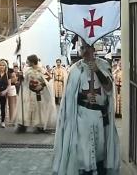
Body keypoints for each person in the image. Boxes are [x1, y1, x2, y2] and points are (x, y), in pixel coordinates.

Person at [53, 40, 120, 175]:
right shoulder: (75, 69)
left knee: (100, 149)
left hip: (101, 117)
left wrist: (97, 70)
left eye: (87, 47)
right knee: (84, 149)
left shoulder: (103, 65)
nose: (85, 51)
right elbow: (69, 98)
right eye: (82, 48)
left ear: (93, 48)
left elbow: (108, 88)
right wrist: (85, 97)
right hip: (82, 116)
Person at [15, 54, 57, 133]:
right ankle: (23, 125)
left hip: (38, 93)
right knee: (27, 109)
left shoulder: (41, 70)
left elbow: (49, 79)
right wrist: (21, 77)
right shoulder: (28, 70)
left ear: (32, 61)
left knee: (38, 110)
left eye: (28, 61)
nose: (27, 62)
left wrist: (41, 85)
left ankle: (39, 126)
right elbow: (25, 81)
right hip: (29, 93)